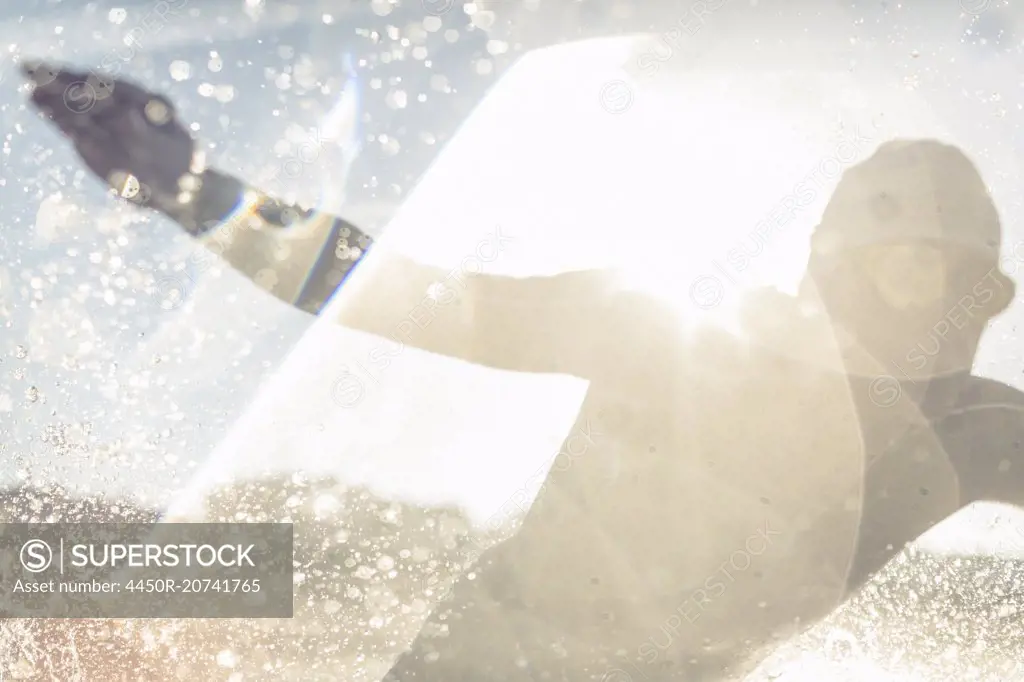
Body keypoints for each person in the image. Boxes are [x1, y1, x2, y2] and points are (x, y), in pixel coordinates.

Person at [22, 60, 1024, 681]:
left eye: (963, 294)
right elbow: (400, 292)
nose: (933, 320)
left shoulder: (969, 430)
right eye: (907, 273)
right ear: (836, 269)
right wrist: (203, 195)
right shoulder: (670, 334)